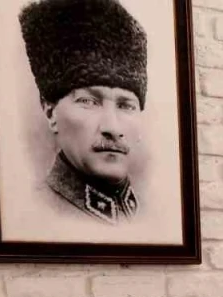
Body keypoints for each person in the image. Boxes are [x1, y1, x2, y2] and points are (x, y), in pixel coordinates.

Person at [19, 0, 146, 224]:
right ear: (50, 112)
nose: (113, 128)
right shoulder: (32, 217)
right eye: (88, 101)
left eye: (126, 105)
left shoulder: (156, 218)